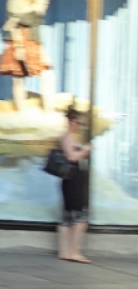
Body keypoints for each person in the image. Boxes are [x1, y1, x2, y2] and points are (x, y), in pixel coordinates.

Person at [57, 106, 92, 263]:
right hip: (73, 183)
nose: (80, 126)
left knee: (67, 218)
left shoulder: (69, 137)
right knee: (80, 219)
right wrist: (85, 151)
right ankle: (74, 251)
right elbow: (72, 156)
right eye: (79, 123)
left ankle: (65, 251)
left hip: (71, 182)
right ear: (72, 122)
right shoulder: (68, 138)